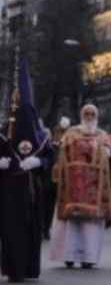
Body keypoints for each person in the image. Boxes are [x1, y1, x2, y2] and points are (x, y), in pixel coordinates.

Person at [0, 55, 56, 283]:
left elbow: (50, 156)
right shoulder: (5, 131)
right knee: (12, 230)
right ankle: (14, 269)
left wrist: (39, 162)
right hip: (10, 189)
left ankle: (30, 267)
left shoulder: (40, 135)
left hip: (33, 189)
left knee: (31, 229)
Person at [48, 104, 111, 269]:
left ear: (96, 116)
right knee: (71, 223)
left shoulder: (103, 135)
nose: (89, 116)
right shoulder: (71, 132)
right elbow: (60, 147)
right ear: (81, 115)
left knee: (90, 224)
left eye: (92, 114)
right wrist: (60, 132)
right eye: (86, 113)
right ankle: (68, 255)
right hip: (72, 183)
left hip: (94, 184)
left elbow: (110, 152)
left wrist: (104, 151)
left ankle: (88, 257)